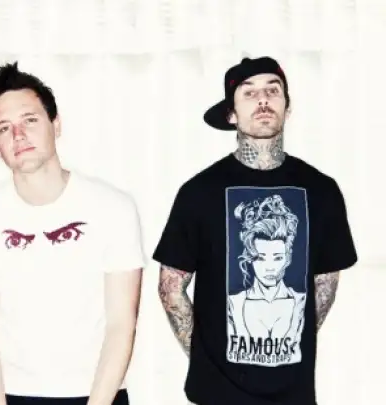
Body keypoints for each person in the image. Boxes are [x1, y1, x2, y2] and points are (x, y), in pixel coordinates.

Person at [153, 56, 358, 405]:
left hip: (293, 395)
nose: (263, 99)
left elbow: (325, 283)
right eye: (249, 93)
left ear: (287, 107)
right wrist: (207, 361)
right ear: (231, 114)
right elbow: (170, 288)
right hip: (216, 396)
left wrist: (288, 345)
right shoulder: (199, 192)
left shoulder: (321, 190)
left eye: (272, 90)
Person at [0, 62, 144, 405]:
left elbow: (121, 323)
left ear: (56, 124)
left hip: (98, 393)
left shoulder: (113, 207)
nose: (18, 135)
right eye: (4, 128)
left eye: (30, 120)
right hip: (14, 395)